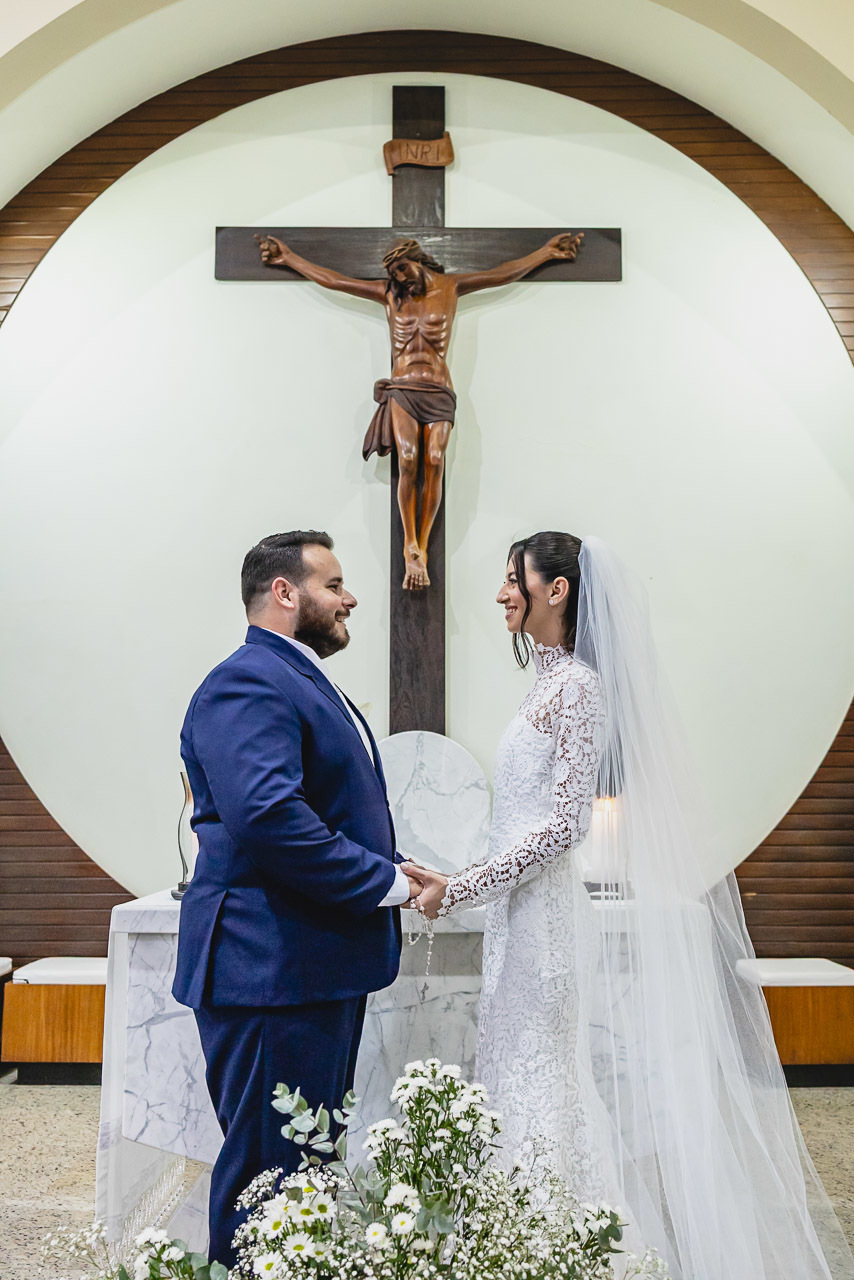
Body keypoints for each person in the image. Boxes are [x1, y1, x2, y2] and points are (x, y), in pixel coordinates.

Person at [405, 532, 854, 1280]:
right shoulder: (545, 683)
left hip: (545, 924)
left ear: (557, 590)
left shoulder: (580, 687)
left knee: (542, 1086)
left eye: (514, 578)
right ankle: (518, 1246)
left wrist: (463, 887)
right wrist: (466, 882)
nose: (502, 592)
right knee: (514, 1079)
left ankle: (552, 1251)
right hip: (518, 920)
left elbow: (565, 826)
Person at [172, 530, 426, 1268]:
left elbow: (326, 808)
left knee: (305, 1168)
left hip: (308, 963)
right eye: (334, 584)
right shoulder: (248, 682)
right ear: (284, 593)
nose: (350, 599)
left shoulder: (298, 678)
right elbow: (271, 818)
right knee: (267, 1174)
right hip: (269, 970)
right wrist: (382, 884)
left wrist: (395, 865)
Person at [256, 233, 582, 590]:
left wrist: (545, 253)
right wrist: (289, 258)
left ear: (417, 259)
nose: (399, 278)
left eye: (402, 268)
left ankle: (423, 544)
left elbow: (501, 273)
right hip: (403, 389)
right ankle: (411, 545)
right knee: (409, 459)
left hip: (438, 389)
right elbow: (335, 280)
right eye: (393, 273)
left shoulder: (450, 287)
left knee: (435, 460)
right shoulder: (389, 294)